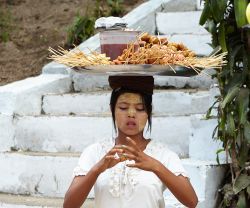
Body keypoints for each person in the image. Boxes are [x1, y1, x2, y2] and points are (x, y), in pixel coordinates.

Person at [63, 74, 198, 208]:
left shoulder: (163, 154)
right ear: (112, 109)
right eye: (123, 107)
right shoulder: (96, 152)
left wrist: (156, 166)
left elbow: (191, 201)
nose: (131, 114)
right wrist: (97, 169)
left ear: (149, 113)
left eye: (140, 109)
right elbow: (69, 205)